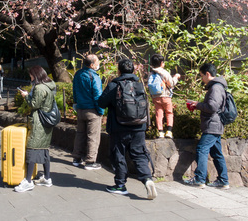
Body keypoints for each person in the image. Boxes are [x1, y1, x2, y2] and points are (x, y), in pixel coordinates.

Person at [97, 58, 157, 199]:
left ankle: (120, 185)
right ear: (133, 70)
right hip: (139, 127)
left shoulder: (114, 85)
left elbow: (101, 102)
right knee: (139, 154)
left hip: (119, 127)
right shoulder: (139, 85)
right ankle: (147, 179)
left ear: (119, 70)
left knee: (118, 154)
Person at [183, 62, 230, 189]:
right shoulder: (218, 87)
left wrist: (197, 104)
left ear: (207, 74)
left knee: (201, 150)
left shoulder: (215, 88)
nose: (202, 79)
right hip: (216, 124)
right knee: (216, 153)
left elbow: (212, 106)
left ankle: (199, 179)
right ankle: (223, 180)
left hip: (212, 125)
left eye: (202, 76)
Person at [14, 66, 57, 192]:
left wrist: (26, 96)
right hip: (47, 121)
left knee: (32, 148)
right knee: (44, 150)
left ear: (36, 75)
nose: (30, 77)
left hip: (39, 122)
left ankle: (28, 181)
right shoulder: (49, 85)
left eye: (31, 75)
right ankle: (47, 178)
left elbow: (34, 104)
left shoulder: (39, 87)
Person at [72, 54, 104, 170]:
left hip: (80, 109)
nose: (98, 64)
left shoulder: (78, 74)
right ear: (92, 64)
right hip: (92, 110)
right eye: (97, 62)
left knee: (80, 134)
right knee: (93, 136)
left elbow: (74, 91)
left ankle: (76, 158)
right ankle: (90, 161)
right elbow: (97, 95)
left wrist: (76, 104)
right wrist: (101, 110)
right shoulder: (94, 76)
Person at [149, 54, 180, 139]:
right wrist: (176, 77)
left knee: (159, 114)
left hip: (155, 97)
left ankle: (160, 132)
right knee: (169, 113)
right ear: (162, 63)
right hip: (166, 96)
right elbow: (172, 84)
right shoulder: (164, 72)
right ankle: (169, 131)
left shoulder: (151, 73)